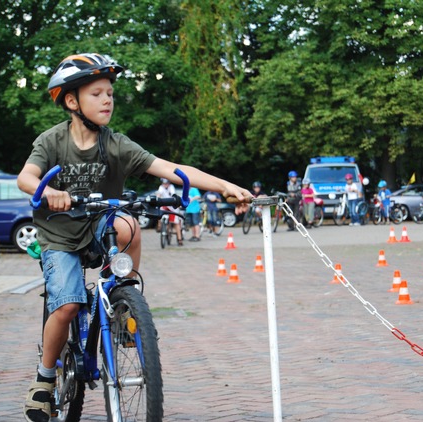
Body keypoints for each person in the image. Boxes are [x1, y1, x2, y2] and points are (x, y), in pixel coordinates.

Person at [17, 53, 252, 422]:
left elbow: (171, 169)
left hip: (97, 226)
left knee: (127, 223)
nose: (108, 99)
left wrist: (225, 186)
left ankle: (124, 304)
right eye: (97, 93)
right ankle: (44, 380)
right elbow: (26, 177)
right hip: (59, 234)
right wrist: (46, 192)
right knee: (67, 305)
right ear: (71, 100)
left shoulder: (116, 144)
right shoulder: (52, 141)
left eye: (110, 92)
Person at [158, 178, 184, 246]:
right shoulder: (161, 187)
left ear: (169, 183)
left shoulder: (171, 187)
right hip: (164, 205)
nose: (165, 185)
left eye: (166, 183)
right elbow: (159, 194)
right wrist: (157, 199)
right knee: (160, 215)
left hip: (172, 207)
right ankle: (161, 227)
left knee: (176, 223)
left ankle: (179, 239)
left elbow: (173, 194)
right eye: (164, 183)